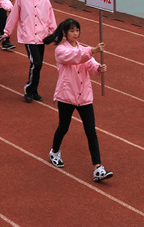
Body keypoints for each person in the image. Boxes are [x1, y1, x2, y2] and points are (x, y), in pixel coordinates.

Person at [44, 18, 113, 183]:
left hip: (84, 96)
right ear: (65, 33)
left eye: (77, 30)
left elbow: (89, 63)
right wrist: (93, 50)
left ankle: (98, 167)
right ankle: (54, 151)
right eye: (72, 30)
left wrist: (98, 68)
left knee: (91, 131)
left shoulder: (82, 49)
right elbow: (75, 57)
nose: (75, 33)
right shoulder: (61, 50)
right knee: (64, 126)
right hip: (67, 95)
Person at [3, 0, 57, 103]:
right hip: (28, 36)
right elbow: (13, 16)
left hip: (42, 36)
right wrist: (6, 32)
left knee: (38, 65)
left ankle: (34, 91)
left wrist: (54, 32)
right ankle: (28, 90)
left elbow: (50, 15)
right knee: (36, 63)